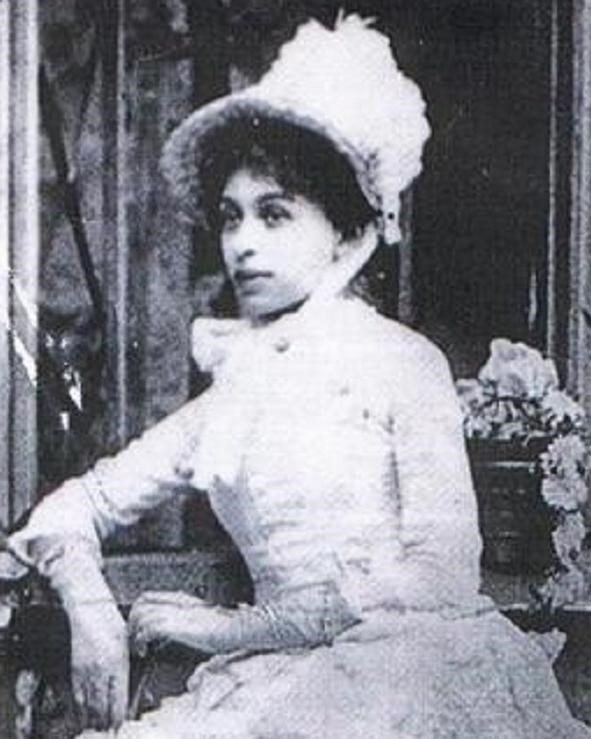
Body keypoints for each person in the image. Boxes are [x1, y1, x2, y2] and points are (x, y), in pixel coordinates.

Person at [9, 14, 590, 738]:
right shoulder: (234, 394)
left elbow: (438, 576)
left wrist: (231, 627)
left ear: (349, 234)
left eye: (274, 214)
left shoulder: (403, 364)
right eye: (230, 217)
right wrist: (90, 604)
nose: (242, 243)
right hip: (267, 687)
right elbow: (69, 511)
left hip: (406, 680)